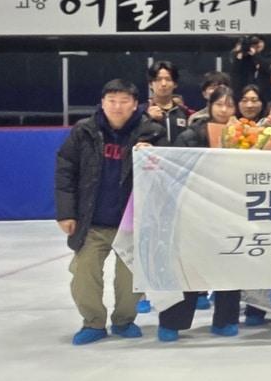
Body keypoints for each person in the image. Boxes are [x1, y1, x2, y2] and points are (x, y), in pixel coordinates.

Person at [55, 78, 165, 345]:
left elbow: (168, 170)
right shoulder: (85, 130)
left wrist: (154, 155)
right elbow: (65, 170)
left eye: (124, 101)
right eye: (111, 100)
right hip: (92, 220)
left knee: (131, 280)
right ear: (102, 103)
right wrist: (66, 212)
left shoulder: (151, 131)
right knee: (83, 273)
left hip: (133, 223)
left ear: (135, 105)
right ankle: (93, 322)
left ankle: (124, 321)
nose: (117, 106)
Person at [159, 87, 244, 340]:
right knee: (188, 268)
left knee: (229, 264)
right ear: (209, 106)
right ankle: (172, 322)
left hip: (230, 212)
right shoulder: (190, 135)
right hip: (194, 212)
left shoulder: (247, 136)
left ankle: (225, 320)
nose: (224, 110)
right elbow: (174, 169)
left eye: (229, 105)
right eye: (219, 104)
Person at [144, 61, 192, 144]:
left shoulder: (185, 113)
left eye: (168, 79)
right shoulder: (142, 112)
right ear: (151, 84)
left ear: (175, 84)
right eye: (158, 79)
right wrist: (148, 119)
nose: (163, 84)